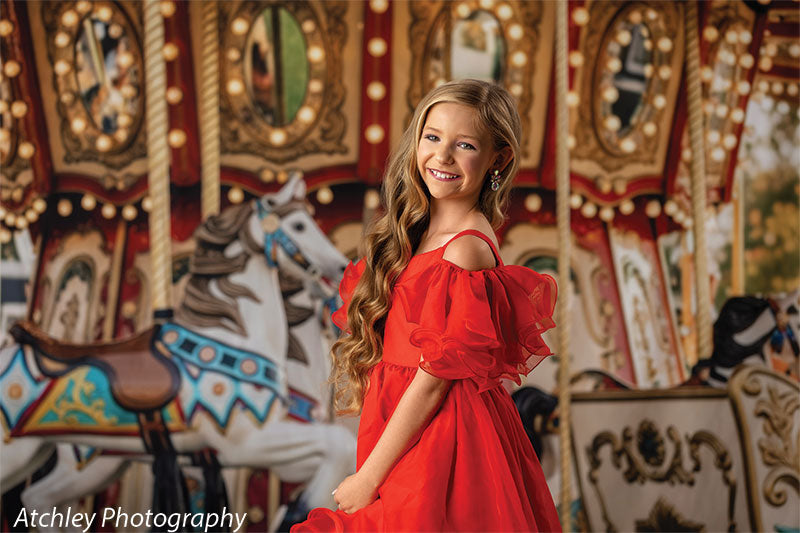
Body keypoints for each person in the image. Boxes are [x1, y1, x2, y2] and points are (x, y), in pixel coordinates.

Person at [291, 79, 561, 532]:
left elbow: (433, 380)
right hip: (404, 421)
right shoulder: (418, 236)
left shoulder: (465, 248)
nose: (442, 156)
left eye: (465, 145)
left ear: (499, 158)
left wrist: (368, 477)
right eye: (432, 137)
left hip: (443, 433)